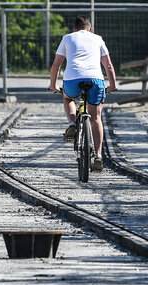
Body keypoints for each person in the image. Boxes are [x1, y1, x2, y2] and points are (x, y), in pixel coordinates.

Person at [48, 15, 118, 171]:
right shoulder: (98, 38)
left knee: (68, 98)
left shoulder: (67, 38)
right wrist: (112, 85)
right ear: (90, 29)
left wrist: (53, 85)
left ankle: (72, 124)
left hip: (72, 78)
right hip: (95, 80)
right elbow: (109, 66)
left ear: (74, 29)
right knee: (96, 118)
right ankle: (99, 156)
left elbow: (56, 65)